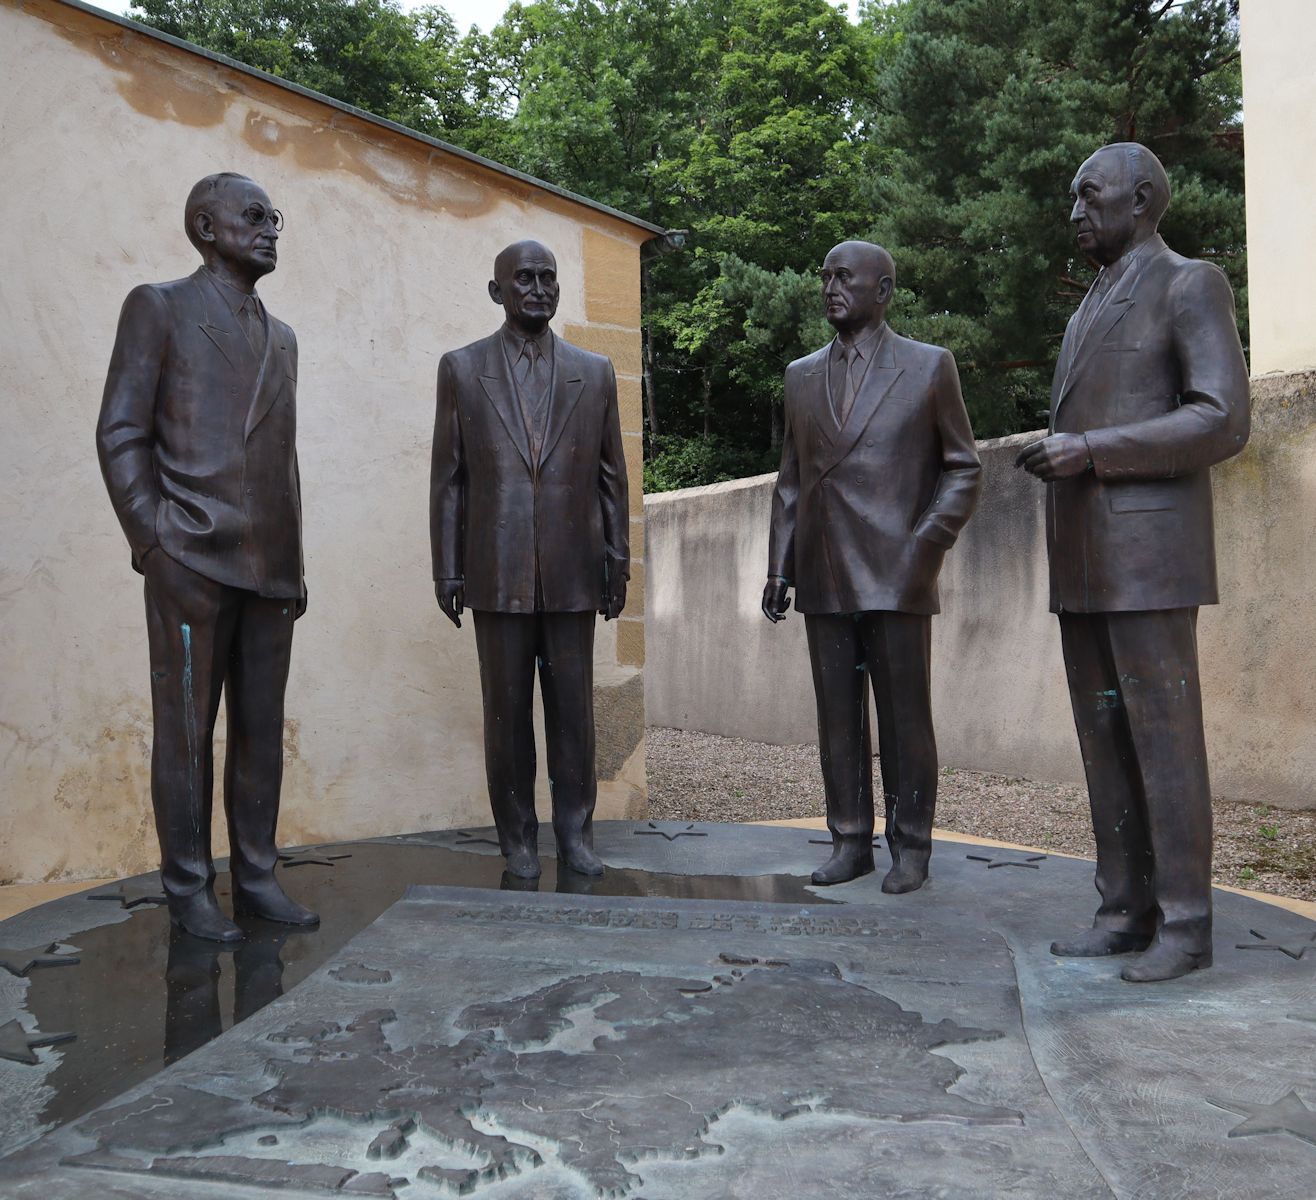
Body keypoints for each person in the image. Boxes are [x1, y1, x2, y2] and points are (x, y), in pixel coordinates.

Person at [1016, 143, 1249, 982]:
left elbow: (1222, 419)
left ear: (1142, 198)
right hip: (1083, 565)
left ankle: (1186, 925)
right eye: (1072, 197)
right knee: (1104, 738)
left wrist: (1090, 450)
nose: (1075, 211)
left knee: (1163, 741)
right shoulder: (1089, 305)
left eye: (1089, 195)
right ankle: (1123, 909)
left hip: (1150, 562)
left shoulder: (1190, 283)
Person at [97, 173, 316, 942]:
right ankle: (190, 887)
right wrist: (151, 537)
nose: (270, 229)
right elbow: (121, 430)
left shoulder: (282, 336)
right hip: (189, 552)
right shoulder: (159, 306)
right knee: (186, 729)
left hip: (272, 567)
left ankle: (256, 875)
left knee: (261, 728)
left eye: (273, 218)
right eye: (253, 216)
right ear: (205, 226)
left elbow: (282, 459)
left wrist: (296, 565)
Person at [763, 240, 981, 891]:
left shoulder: (928, 367)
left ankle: (911, 846)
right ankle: (849, 840)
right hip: (825, 571)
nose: (831, 287)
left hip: (899, 573)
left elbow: (964, 470)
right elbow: (790, 481)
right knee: (838, 719)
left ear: (883, 290)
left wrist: (925, 547)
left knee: (906, 719)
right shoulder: (801, 375)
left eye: (846, 278)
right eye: (825, 275)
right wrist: (779, 566)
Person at [431, 240, 629, 880]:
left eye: (548, 278)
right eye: (524, 279)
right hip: (497, 569)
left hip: (575, 571)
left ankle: (576, 834)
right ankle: (516, 838)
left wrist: (616, 562)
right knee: (506, 715)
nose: (538, 289)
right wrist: (448, 566)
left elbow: (611, 478)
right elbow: (450, 478)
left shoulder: (594, 371)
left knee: (574, 713)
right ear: (498, 291)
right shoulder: (462, 369)